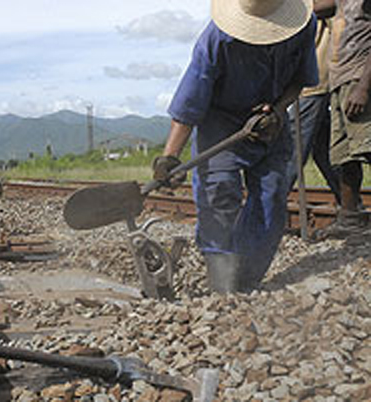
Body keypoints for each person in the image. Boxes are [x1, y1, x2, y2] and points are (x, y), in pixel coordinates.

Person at [152, 0, 318, 293]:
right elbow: (189, 105)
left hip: (271, 124)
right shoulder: (216, 40)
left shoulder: (303, 27)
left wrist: (278, 110)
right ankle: (221, 282)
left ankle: (244, 279)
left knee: (272, 196)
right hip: (221, 123)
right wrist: (169, 157)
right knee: (218, 195)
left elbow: (300, 80)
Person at [313, 0, 371, 239]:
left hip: (358, 79)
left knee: (367, 147)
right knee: (345, 156)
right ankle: (350, 219)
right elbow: (312, 8)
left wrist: (364, 88)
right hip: (338, 81)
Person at [285, 13, 340, 206]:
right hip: (312, 78)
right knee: (323, 150)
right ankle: (350, 204)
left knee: (294, 145)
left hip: (315, 79)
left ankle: (268, 208)